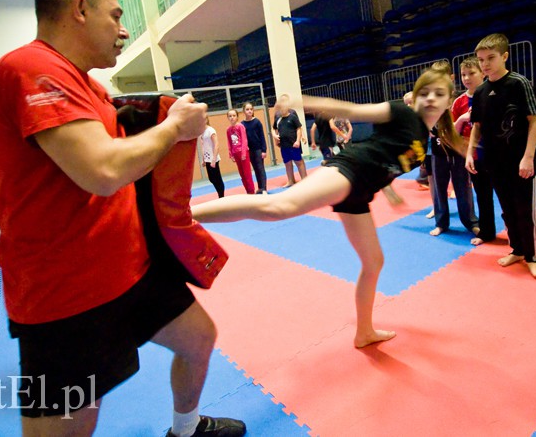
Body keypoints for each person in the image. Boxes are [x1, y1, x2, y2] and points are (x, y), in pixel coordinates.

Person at [0, 0, 245, 437]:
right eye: (117, 15)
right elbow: (103, 170)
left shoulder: (90, 87)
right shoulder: (29, 67)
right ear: (79, 8)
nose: (122, 30)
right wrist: (173, 127)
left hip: (130, 271)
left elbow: (122, 155)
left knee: (199, 339)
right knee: (75, 424)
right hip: (64, 296)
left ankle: (185, 430)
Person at [192, 69, 461, 348]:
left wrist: (388, 189)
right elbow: (350, 109)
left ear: (448, 101)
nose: (430, 98)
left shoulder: (424, 135)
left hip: (360, 192)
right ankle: (187, 213)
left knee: (373, 263)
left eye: (438, 94)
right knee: (278, 206)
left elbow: (387, 155)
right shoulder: (403, 114)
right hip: (349, 171)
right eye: (424, 92)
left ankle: (364, 332)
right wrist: (302, 101)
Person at [465, 33, 536, 279]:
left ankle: (532, 256)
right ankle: (517, 250)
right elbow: (476, 126)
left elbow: (535, 120)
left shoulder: (518, 83)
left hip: (520, 159)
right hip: (493, 160)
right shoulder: (480, 92)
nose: (485, 64)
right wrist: (470, 152)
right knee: (507, 209)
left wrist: (528, 156)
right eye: (481, 60)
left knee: (524, 210)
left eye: (491, 58)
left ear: (505, 56)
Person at [428, 62, 479, 239]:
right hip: (438, 151)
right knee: (439, 188)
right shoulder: (430, 100)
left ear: (450, 78)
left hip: (457, 150)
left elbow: (459, 127)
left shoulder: (458, 101)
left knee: (462, 188)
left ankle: (471, 222)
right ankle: (441, 223)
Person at [454, 57, 497, 245]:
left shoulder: (493, 94)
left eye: (471, 73)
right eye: (463, 74)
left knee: (507, 195)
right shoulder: (459, 102)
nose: (467, 78)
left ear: (482, 73)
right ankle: (486, 232)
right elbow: (453, 133)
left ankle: (517, 233)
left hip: (497, 154)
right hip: (474, 156)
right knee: (483, 195)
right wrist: (462, 120)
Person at [272, 93, 307, 186]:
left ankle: (305, 179)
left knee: (298, 161)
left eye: (285, 101)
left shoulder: (292, 114)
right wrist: (275, 138)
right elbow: (274, 128)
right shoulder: (278, 116)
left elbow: (299, 127)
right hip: (284, 144)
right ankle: (291, 180)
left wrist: (300, 138)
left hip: (294, 143)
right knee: (287, 162)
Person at [225, 108, 255, 194]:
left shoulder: (240, 126)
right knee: (242, 174)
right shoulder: (228, 130)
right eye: (230, 116)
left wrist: (243, 153)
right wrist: (231, 154)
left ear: (237, 117)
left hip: (243, 153)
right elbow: (229, 142)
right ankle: (247, 191)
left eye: (234, 116)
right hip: (235, 153)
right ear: (228, 118)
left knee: (247, 174)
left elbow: (244, 140)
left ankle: (251, 191)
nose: (232, 118)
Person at [241, 101, 268, 194]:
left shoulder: (257, 122)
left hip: (258, 149)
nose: (249, 111)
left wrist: (264, 150)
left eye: (251, 109)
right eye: (247, 109)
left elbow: (262, 136)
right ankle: (260, 187)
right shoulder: (242, 124)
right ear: (243, 111)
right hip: (249, 150)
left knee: (260, 168)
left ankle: (264, 188)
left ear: (253, 110)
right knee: (255, 169)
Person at [200, 118, 226, 198]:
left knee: (217, 178)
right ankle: (220, 193)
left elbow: (216, 145)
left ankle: (221, 195)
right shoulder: (202, 132)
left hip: (213, 159)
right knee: (211, 178)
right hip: (208, 159)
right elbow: (204, 146)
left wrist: (214, 159)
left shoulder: (210, 130)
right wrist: (204, 159)